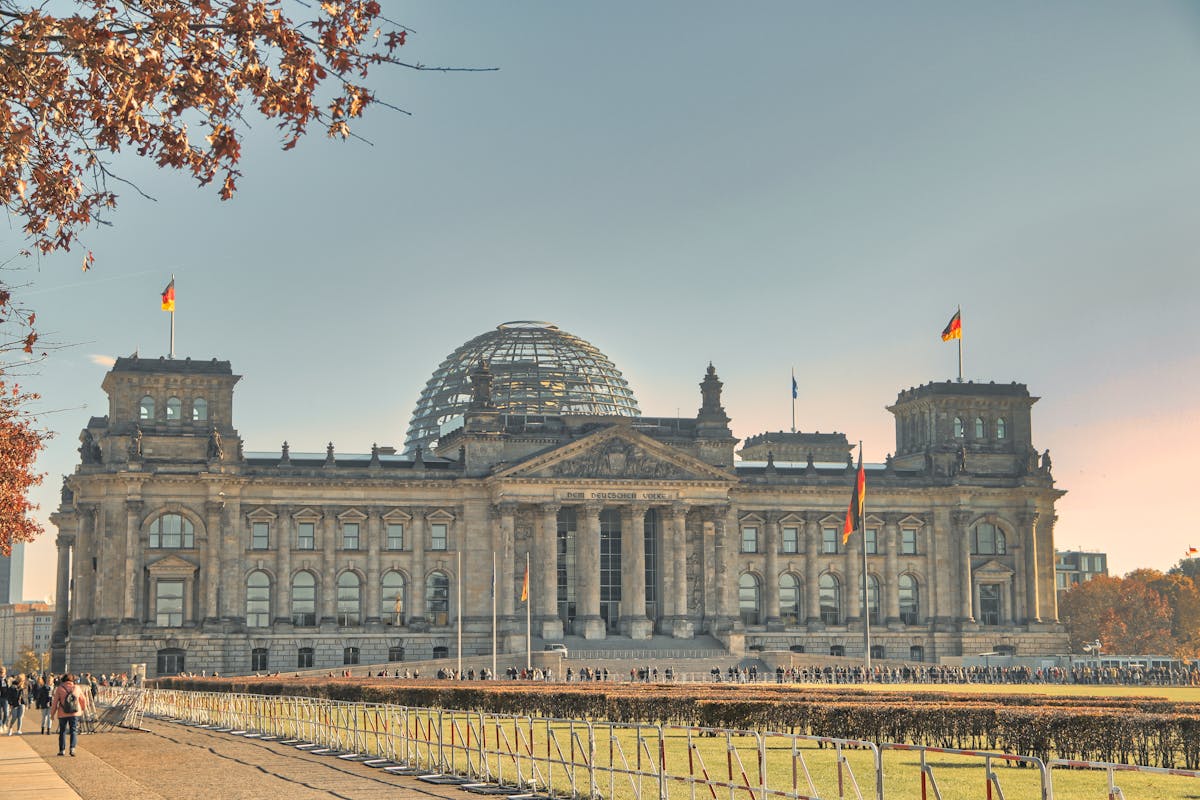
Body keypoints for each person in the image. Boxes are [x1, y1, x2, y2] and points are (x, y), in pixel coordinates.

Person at [51, 672, 89, 756]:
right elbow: (83, 700)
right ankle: (72, 749)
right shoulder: (77, 688)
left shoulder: (60, 688)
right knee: (73, 731)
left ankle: (62, 750)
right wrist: (82, 709)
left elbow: (55, 703)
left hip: (62, 713)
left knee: (62, 731)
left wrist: (52, 714)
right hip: (75, 712)